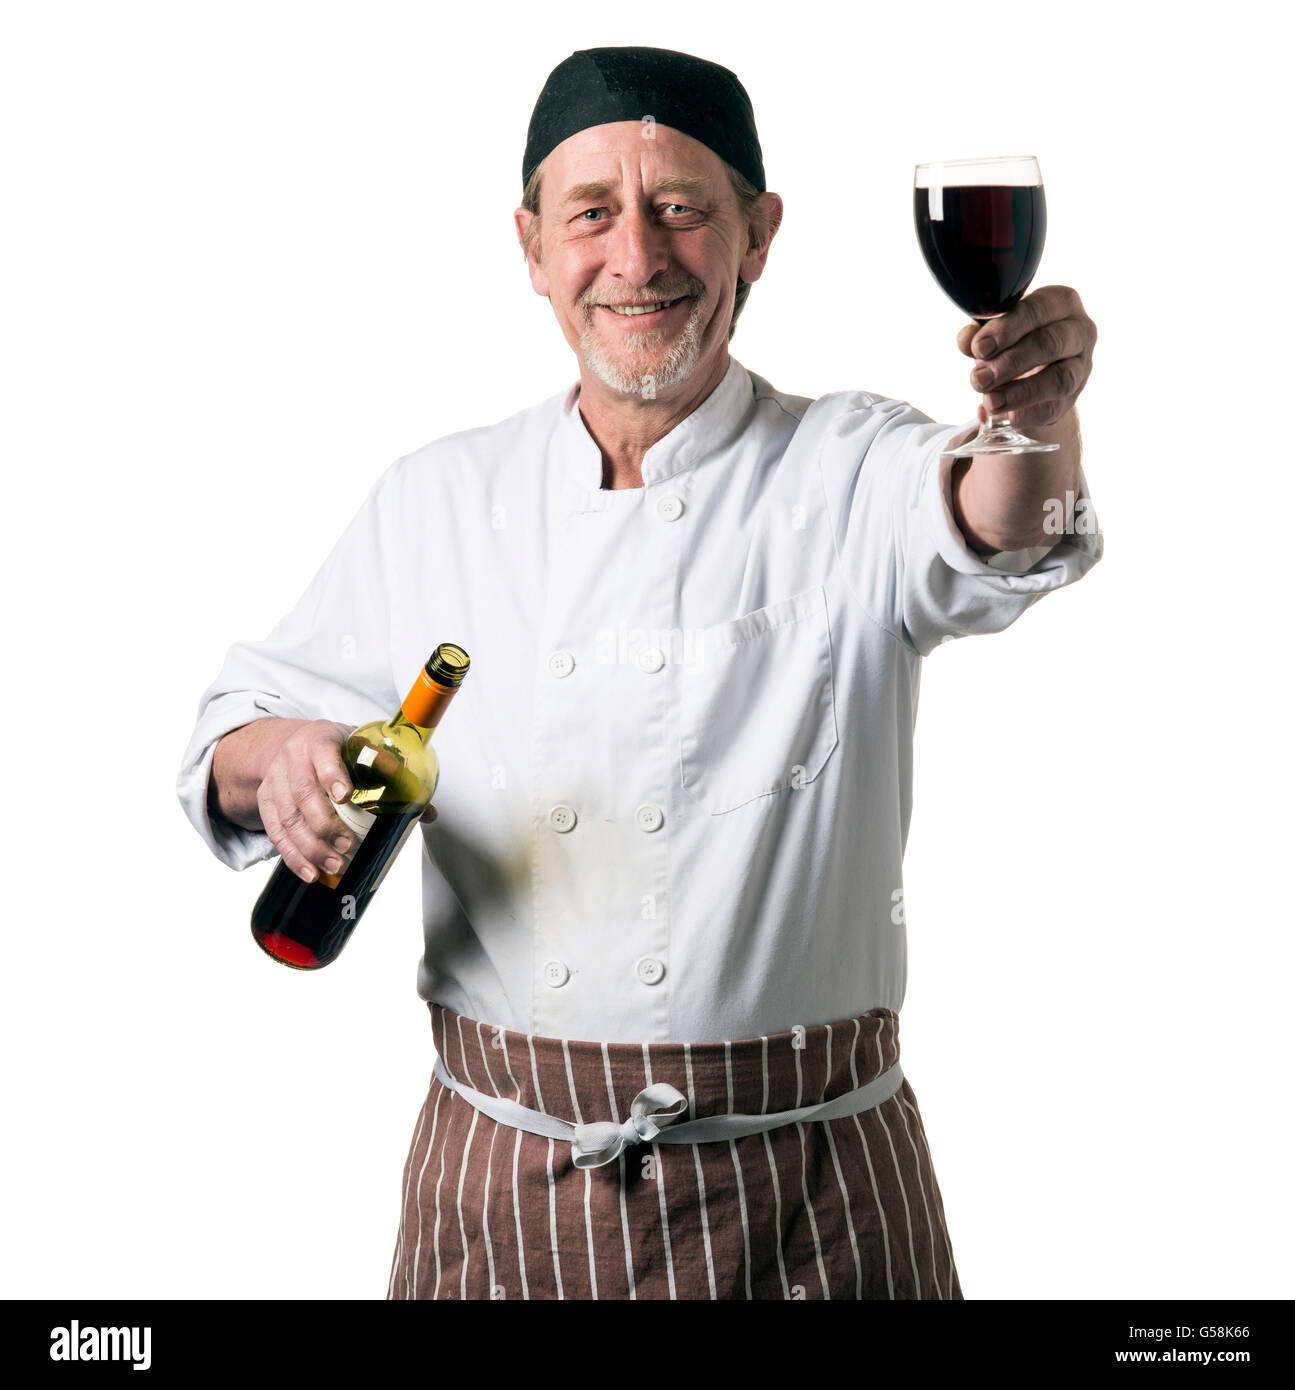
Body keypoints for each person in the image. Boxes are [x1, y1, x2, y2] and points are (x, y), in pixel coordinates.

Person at [177, 45, 1102, 1301]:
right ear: (529, 244)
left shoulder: (847, 463)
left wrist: (1034, 420)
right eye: (592, 214)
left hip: (812, 1194)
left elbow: (993, 524)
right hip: (503, 1182)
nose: (637, 258)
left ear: (758, 235)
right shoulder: (440, 496)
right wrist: (277, 761)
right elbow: (233, 728)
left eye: (681, 208)